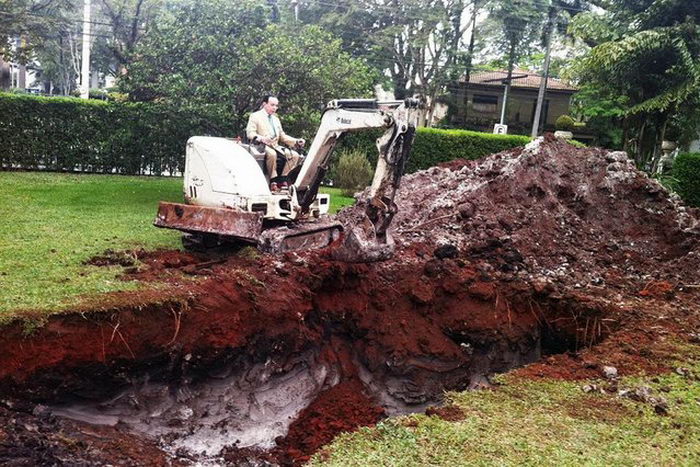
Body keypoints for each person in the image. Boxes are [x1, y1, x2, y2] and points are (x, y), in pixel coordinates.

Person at [246, 95, 305, 191]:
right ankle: (273, 180)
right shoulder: (255, 116)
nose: (275, 108)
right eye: (272, 105)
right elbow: (250, 133)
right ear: (264, 104)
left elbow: (282, 136)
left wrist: (296, 141)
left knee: (295, 155)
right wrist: (262, 138)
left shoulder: (276, 119)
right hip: (261, 145)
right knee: (272, 154)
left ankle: (283, 179)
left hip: (275, 146)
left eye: (276, 105)